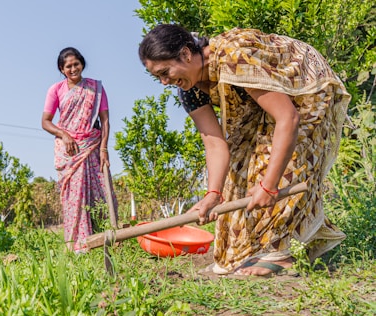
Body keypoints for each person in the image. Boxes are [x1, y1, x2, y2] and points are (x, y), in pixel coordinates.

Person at [138, 24, 350, 277]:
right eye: (157, 77)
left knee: (279, 160)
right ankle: (249, 254)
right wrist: (213, 194)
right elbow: (215, 143)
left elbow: (288, 118)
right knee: (237, 172)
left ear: (185, 54)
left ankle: (279, 253)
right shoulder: (190, 90)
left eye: (165, 72)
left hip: (304, 85)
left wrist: (270, 186)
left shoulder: (233, 57)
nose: (164, 82)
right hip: (259, 101)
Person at [41, 47, 117, 252]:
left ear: (82, 63)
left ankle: (107, 238)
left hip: (92, 145)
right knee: (74, 198)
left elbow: (105, 120)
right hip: (70, 151)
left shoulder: (95, 88)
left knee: (101, 192)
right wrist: (65, 135)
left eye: (76, 64)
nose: (73, 68)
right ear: (62, 69)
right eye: (68, 66)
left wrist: (104, 149)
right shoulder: (56, 90)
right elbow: (45, 122)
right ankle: (77, 244)